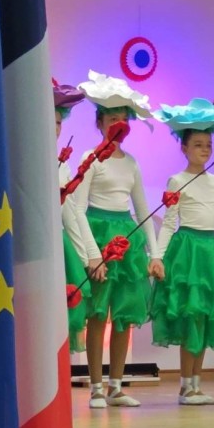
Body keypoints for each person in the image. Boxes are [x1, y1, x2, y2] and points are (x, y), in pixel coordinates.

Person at [150, 98, 214, 405]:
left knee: (206, 318)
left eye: (208, 145)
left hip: (211, 252)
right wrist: (157, 256)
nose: (204, 149)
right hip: (188, 253)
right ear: (184, 148)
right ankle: (185, 387)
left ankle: (196, 384)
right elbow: (169, 222)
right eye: (197, 145)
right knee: (191, 318)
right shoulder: (177, 180)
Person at [74, 70, 162, 408]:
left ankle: (116, 386)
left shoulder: (132, 163)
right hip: (98, 236)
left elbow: (142, 211)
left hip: (126, 241)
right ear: (99, 123)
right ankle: (96, 386)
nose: (117, 124)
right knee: (98, 315)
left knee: (124, 315)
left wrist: (155, 254)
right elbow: (77, 209)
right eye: (111, 119)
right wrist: (92, 254)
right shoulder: (91, 159)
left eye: (123, 119)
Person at [54, 83, 90, 353]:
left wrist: (84, 258)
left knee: (63, 314)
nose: (55, 128)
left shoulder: (63, 166)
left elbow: (71, 215)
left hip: (61, 247)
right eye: (50, 121)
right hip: (35, 247)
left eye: (58, 122)